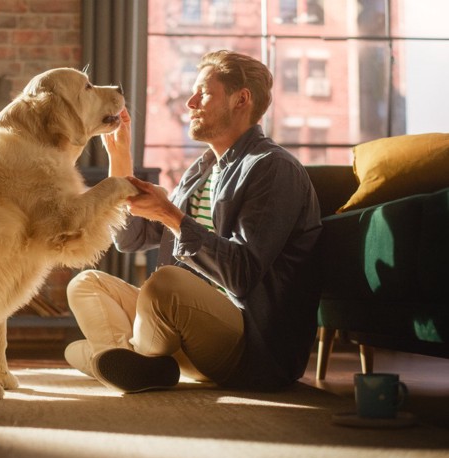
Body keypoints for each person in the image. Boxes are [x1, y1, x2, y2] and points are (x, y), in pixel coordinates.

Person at [64, 50, 323, 393]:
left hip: (248, 346)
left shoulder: (272, 169)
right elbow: (130, 238)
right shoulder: (202, 171)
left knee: (163, 285)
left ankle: (118, 357)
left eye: (203, 93)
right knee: (86, 284)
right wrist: (120, 154)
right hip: (186, 331)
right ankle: (134, 363)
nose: (190, 102)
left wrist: (170, 215)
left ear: (240, 99)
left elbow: (243, 274)